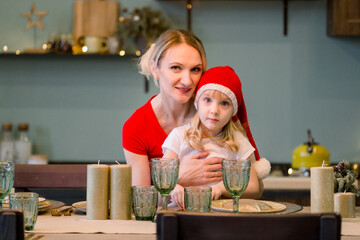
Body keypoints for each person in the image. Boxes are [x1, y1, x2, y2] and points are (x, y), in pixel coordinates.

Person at [122, 29, 224, 187]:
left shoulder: (215, 114)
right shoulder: (137, 127)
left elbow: (256, 189)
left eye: (195, 69)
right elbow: (141, 203)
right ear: (155, 68)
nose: (187, 81)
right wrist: (178, 178)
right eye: (176, 67)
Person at [162, 66, 271, 208]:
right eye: (207, 100)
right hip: (181, 214)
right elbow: (163, 175)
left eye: (224, 103)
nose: (214, 111)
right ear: (197, 102)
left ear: (234, 110)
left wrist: (221, 188)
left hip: (221, 216)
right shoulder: (179, 136)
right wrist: (175, 187)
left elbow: (253, 187)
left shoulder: (238, 142)